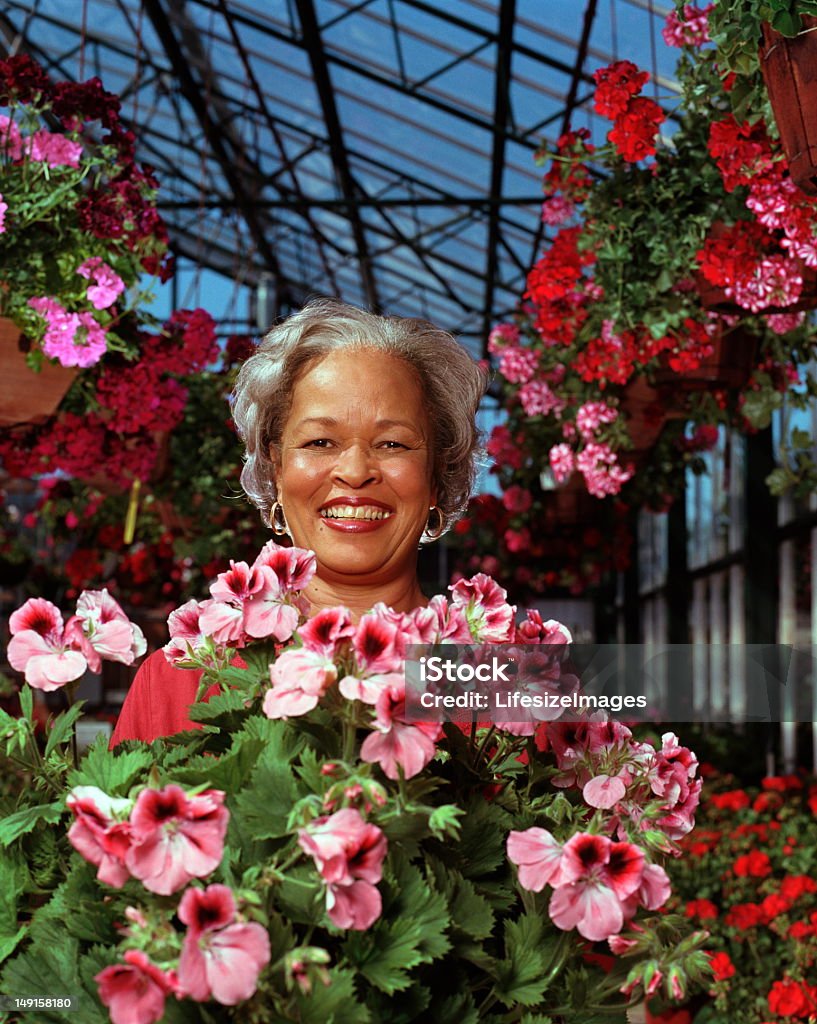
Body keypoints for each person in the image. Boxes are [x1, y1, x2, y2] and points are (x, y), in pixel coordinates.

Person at [111, 298, 488, 744]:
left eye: (392, 444)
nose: (354, 470)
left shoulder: (519, 681)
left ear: (437, 477)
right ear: (275, 469)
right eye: (320, 441)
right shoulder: (179, 679)